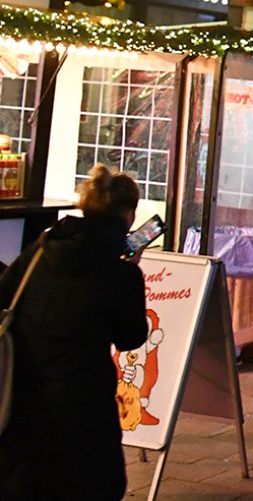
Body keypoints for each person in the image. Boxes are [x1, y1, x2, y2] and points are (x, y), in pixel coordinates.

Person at [0, 164, 147, 500]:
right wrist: (130, 274)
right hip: (84, 406)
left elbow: (4, 296)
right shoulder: (120, 273)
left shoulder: (39, 250)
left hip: (22, 395)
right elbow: (131, 338)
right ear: (127, 214)